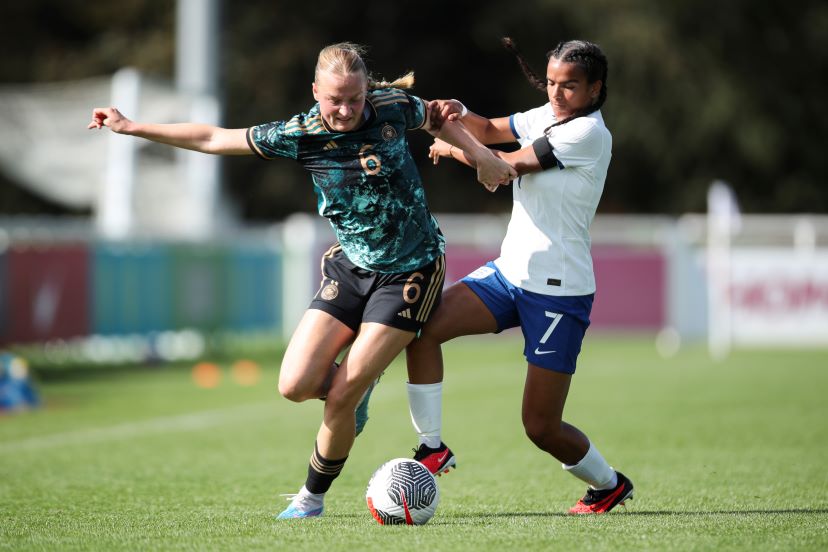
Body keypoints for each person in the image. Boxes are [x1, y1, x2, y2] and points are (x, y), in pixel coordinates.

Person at [88, 42, 515, 519]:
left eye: (355, 97)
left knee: (341, 396)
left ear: (367, 90)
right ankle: (358, 387)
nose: (346, 109)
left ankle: (310, 499)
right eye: (335, 99)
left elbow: (437, 119)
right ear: (315, 92)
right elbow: (213, 138)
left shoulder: (392, 107)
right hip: (351, 267)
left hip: (411, 269)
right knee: (294, 384)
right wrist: (131, 126)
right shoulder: (299, 132)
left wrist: (480, 155)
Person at [405, 38, 634, 514]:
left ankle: (608, 484)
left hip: (559, 292)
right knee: (421, 329)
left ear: (595, 88)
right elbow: (488, 130)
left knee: (541, 427)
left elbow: (504, 167)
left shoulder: (588, 134)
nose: (557, 93)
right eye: (551, 82)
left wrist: (450, 145)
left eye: (570, 86)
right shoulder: (548, 116)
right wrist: (456, 111)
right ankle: (432, 448)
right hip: (509, 275)